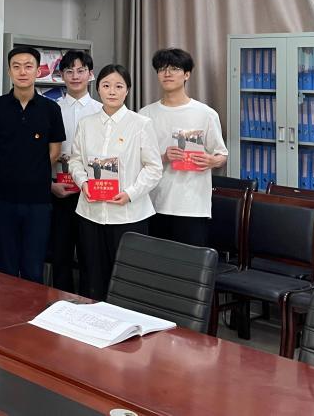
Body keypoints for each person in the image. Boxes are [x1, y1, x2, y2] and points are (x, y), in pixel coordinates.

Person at [69, 64, 162, 301]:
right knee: (91, 277)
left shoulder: (141, 124)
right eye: (106, 85)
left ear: (127, 90)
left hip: (129, 215)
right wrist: (83, 183)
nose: (112, 91)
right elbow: (76, 161)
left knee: (127, 280)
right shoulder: (86, 124)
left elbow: (154, 168)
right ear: (98, 88)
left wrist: (130, 193)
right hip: (90, 213)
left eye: (119, 86)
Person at [0, 46, 65, 283]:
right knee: (4, 268)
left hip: (38, 201)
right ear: (9, 71)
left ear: (38, 71)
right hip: (2, 199)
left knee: (33, 268)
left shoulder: (51, 108)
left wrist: (31, 169)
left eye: (28, 66)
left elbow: (55, 151)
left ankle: (33, 308)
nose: (22, 72)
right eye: (16, 67)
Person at [139, 48, 228, 247]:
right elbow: (137, 159)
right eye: (162, 69)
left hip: (192, 204)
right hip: (154, 202)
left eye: (174, 69)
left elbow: (221, 155)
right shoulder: (145, 114)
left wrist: (212, 160)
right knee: (156, 260)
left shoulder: (206, 114)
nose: (167, 73)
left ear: (187, 74)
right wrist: (163, 157)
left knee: (189, 261)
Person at [50, 50, 102, 293]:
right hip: (58, 190)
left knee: (90, 255)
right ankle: (60, 303)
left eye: (81, 70)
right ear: (61, 76)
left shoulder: (101, 109)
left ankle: (89, 304)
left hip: (92, 191)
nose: (75, 76)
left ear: (90, 74)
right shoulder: (52, 109)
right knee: (60, 254)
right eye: (69, 71)